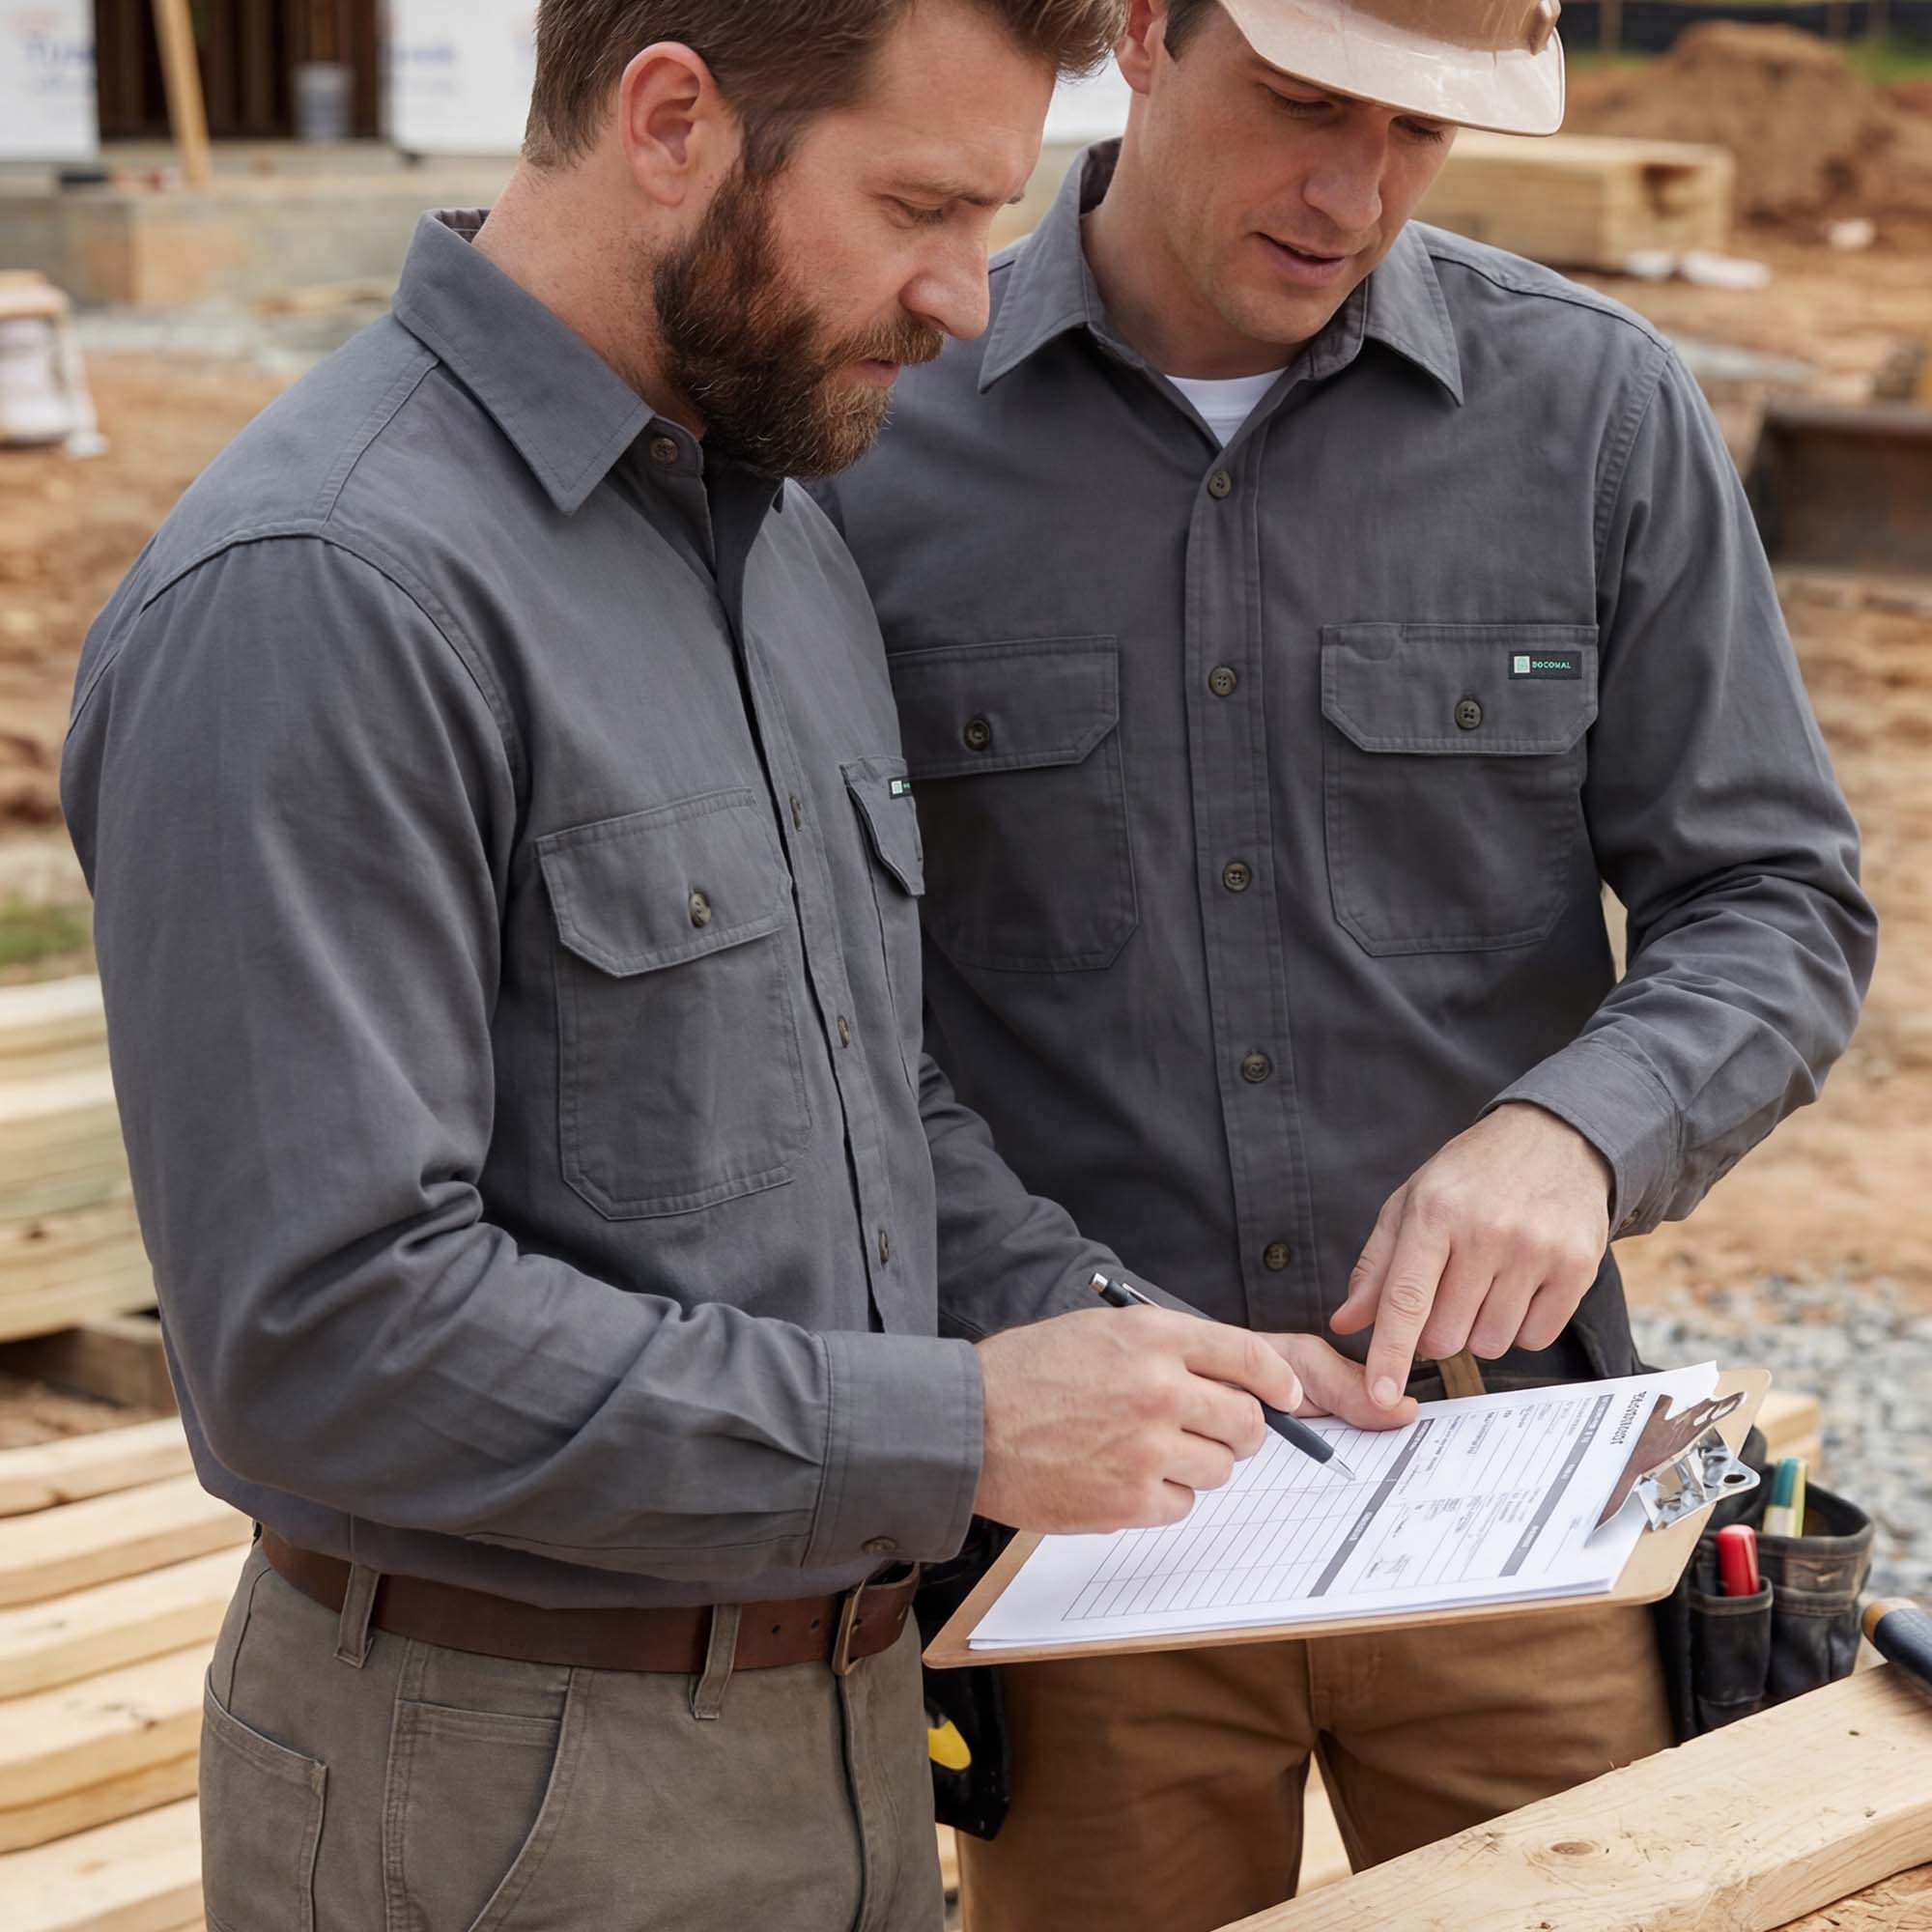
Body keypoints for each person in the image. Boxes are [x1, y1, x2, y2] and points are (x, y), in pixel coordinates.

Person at [61, 3, 1405, 1926]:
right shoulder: (323, 590)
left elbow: (861, 1093)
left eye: (992, 216)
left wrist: (1112, 1332)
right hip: (500, 1779)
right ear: (672, 119)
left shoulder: (774, 532)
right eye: (918, 209)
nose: (965, 299)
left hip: (835, 1727)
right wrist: (968, 1427)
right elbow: (324, 1342)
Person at [816, 1, 1879, 1925]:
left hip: (1512, 1491)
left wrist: (1579, 1131)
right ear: (1142, 32)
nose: (1351, 192)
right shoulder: (870, 432)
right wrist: (1051, 1306)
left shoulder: (1593, 411)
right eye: (1304, 103)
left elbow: (1775, 896)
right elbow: (824, 1009)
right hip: (1088, 1512)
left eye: (1419, 133)